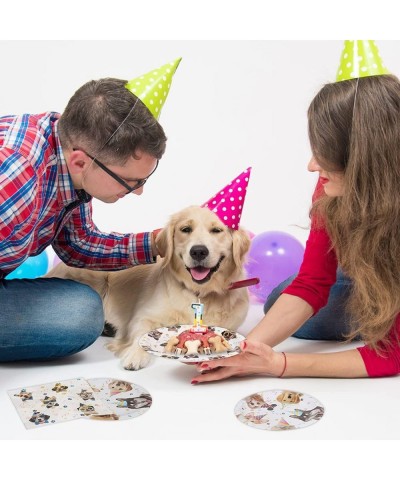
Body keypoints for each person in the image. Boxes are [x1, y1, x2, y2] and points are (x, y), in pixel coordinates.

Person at [192, 42, 400, 383]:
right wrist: (239, 352)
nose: (311, 165)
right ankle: (381, 314)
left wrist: (278, 364)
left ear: (365, 160)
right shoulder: (332, 187)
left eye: (324, 155)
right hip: (374, 279)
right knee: (280, 301)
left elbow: (392, 355)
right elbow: (312, 282)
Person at [0, 58, 181, 362]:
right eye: (130, 181)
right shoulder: (15, 177)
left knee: (81, 309)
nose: (138, 191)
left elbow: (77, 244)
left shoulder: (68, 150)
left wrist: (156, 242)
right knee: (77, 319)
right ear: (81, 162)